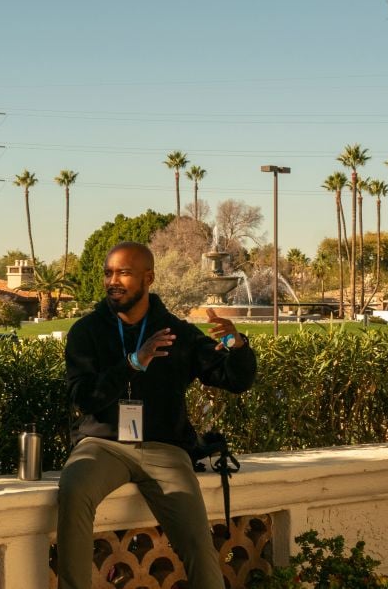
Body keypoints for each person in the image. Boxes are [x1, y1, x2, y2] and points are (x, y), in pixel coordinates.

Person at [56, 242, 257, 589]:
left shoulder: (176, 333)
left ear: (148, 277)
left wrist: (238, 346)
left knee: (198, 541)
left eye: (124, 272)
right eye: (108, 273)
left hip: (165, 448)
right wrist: (134, 362)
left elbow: (235, 380)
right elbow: (83, 397)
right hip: (103, 445)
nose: (113, 281)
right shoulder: (86, 332)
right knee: (73, 489)